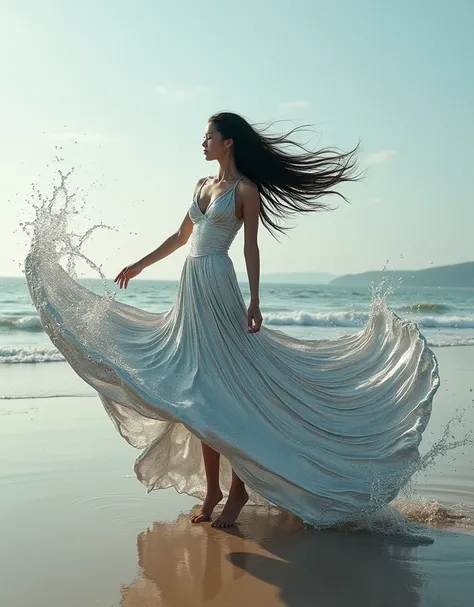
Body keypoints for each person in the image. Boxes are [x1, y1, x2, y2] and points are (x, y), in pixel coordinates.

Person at [26, 111, 439, 531]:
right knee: (200, 395)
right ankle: (214, 491)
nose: (202, 144)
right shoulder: (201, 185)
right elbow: (180, 238)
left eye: (209, 137)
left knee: (227, 393)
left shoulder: (245, 190)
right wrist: (139, 264)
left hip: (219, 288)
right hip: (190, 291)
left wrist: (255, 300)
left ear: (228, 143)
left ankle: (237, 489)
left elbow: (251, 250)